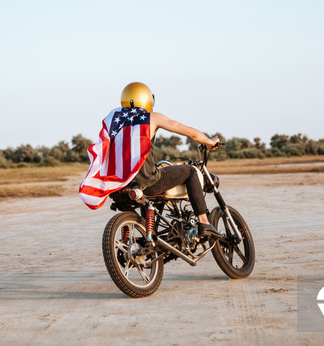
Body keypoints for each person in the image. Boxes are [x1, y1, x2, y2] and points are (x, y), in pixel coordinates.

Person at [79, 81, 221, 236]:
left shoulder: (114, 121)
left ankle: (149, 236)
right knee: (191, 171)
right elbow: (190, 134)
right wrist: (209, 141)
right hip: (146, 182)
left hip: (120, 185)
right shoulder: (151, 117)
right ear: (146, 99)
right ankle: (204, 222)